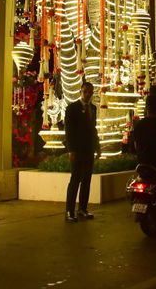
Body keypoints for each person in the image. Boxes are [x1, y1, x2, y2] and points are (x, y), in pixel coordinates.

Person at [64, 81, 100, 223]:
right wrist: (71, 150)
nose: (87, 95)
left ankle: (82, 209)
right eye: (85, 91)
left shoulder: (93, 108)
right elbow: (69, 131)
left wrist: (97, 147)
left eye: (90, 92)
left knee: (86, 180)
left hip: (89, 150)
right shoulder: (72, 108)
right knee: (75, 180)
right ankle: (69, 211)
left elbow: (93, 129)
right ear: (81, 91)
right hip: (77, 150)